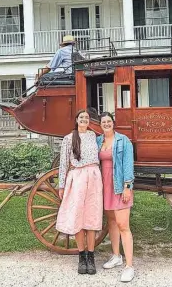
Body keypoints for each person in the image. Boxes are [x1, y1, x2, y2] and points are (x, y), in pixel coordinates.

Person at [56, 109, 103, 275]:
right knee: (77, 216)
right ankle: (81, 255)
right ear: (76, 120)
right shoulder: (69, 139)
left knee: (91, 216)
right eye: (81, 117)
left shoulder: (93, 136)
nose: (84, 119)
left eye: (87, 117)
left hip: (94, 178)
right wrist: (61, 186)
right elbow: (63, 164)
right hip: (77, 177)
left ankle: (91, 256)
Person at [96, 112, 135, 283]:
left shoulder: (123, 140)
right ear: (100, 124)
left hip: (119, 185)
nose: (106, 124)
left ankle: (129, 266)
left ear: (113, 123)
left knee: (123, 225)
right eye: (103, 122)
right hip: (104, 186)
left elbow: (128, 164)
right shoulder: (98, 141)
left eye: (109, 121)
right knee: (111, 221)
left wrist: (127, 186)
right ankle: (116, 256)